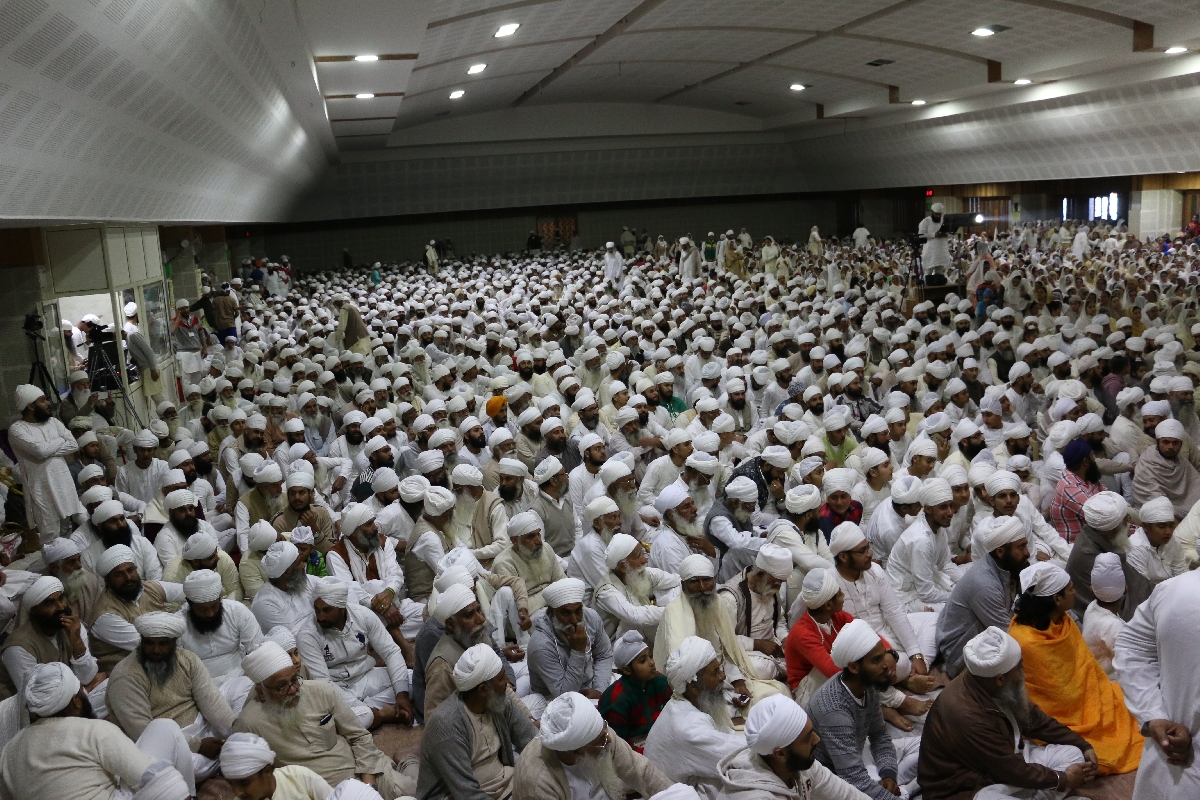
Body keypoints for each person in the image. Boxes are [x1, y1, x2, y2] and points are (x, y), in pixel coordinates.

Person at [918, 626, 1098, 800]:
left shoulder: (984, 681)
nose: (1022, 672)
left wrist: (1082, 744)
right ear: (1000, 679)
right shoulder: (966, 716)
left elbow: (1035, 720)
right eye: (1019, 668)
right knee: (1060, 777)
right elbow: (1010, 769)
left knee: (1073, 755)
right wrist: (1062, 779)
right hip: (968, 788)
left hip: (1002, 764)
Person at [234, 642, 416, 799]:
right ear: (261, 692)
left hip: (360, 770)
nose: (293, 689)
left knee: (414, 792)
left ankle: (408, 762)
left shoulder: (321, 691)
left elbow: (359, 737)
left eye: (294, 680)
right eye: (282, 686)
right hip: (315, 793)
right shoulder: (249, 723)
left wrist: (369, 787)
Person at [1008, 563, 1143, 774]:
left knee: (1134, 705)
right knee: (1102, 749)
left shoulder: (1063, 620)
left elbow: (1084, 665)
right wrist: (1080, 696)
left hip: (1091, 695)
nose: (1075, 593)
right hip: (1062, 715)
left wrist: (1090, 692)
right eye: (1070, 589)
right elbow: (1058, 692)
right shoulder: (1025, 640)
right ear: (1057, 599)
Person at [0, 662, 193, 800]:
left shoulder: (9, 749)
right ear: (76, 700)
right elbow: (156, 778)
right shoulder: (94, 731)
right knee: (164, 729)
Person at [106, 612, 239, 784]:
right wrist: (198, 745)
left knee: (242, 686)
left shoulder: (188, 660)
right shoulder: (126, 676)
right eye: (149, 643)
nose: (155, 650)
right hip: (162, 743)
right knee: (186, 767)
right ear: (141, 640)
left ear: (174, 642)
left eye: (163, 644)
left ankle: (230, 751)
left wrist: (236, 731)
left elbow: (211, 701)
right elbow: (143, 732)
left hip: (202, 726)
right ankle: (228, 756)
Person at [1114, 569, 1200, 800]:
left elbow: (1131, 648)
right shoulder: (1175, 591)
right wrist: (1153, 713)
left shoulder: (1173, 590)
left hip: (1172, 764)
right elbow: (1133, 645)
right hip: (1175, 759)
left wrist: (1153, 714)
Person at [809, 620, 919, 800]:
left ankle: (896, 786)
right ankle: (903, 791)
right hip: (835, 773)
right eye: (876, 660)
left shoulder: (867, 685)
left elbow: (879, 735)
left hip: (857, 755)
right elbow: (853, 778)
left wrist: (889, 775)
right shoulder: (833, 710)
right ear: (854, 667)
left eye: (883, 656)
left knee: (927, 745)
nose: (886, 665)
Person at [417, 643, 536, 800]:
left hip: (506, 783)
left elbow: (531, 741)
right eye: (502, 678)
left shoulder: (499, 701)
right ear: (483, 690)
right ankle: (409, 763)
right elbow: (467, 793)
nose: (507, 680)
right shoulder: (446, 724)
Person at [296, 577, 413, 730]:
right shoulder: (307, 634)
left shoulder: (363, 615)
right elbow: (324, 684)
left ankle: (369, 712)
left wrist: (402, 695)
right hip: (336, 686)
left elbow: (391, 652)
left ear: (341, 607)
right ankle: (377, 713)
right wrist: (362, 709)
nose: (320, 616)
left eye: (327, 610)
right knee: (325, 717)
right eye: (317, 609)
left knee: (412, 680)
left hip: (365, 676)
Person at [511, 691, 672, 800]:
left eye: (605, 729)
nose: (609, 740)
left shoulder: (600, 735)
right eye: (601, 740)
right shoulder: (537, 783)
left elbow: (641, 771)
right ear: (575, 752)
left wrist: (676, 794)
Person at [644, 636, 747, 793]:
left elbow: (725, 738)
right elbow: (737, 755)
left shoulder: (682, 702)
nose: (723, 676)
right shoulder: (690, 729)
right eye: (715, 672)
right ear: (693, 687)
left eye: (720, 669)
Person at [715, 693, 864, 800]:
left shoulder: (800, 764)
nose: (817, 739)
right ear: (780, 754)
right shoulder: (754, 796)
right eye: (808, 737)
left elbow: (847, 795)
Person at [937, 516, 1029, 678]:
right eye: (1021, 547)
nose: (1027, 553)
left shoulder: (1009, 567)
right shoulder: (984, 584)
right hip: (960, 655)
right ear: (1000, 552)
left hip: (989, 634)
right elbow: (1009, 634)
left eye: (1025, 545)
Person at [9, 384, 83, 541]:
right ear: (30, 406)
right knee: (50, 536)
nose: (48, 403)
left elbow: (73, 445)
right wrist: (59, 440)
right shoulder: (16, 429)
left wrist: (46, 450)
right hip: (40, 490)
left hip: (63, 484)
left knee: (66, 529)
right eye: (43, 400)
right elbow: (39, 451)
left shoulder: (53, 422)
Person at [1065, 491, 1152, 621]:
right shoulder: (1091, 556)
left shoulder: (1095, 536)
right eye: (1126, 518)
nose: (1128, 523)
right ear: (1115, 528)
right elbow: (1121, 609)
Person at [526, 577, 614, 705]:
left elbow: (604, 654)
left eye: (578, 611)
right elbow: (564, 694)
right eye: (566, 613)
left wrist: (599, 690)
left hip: (591, 686)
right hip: (553, 699)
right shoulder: (541, 644)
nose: (574, 620)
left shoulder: (591, 618)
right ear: (552, 611)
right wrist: (578, 651)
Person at [178, 569, 264, 686]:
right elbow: (178, 668)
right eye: (202, 609)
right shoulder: (178, 624)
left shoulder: (237, 611)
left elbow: (258, 649)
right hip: (198, 684)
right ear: (189, 603)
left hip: (241, 677)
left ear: (219, 599)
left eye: (214, 606)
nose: (210, 614)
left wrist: (249, 677)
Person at [598, 631, 670, 751]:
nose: (652, 662)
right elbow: (618, 746)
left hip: (658, 740)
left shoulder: (660, 681)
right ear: (627, 670)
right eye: (643, 661)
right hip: (630, 750)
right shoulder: (617, 700)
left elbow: (673, 715)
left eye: (650, 656)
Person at [219, 732, 334, 800]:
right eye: (231, 784)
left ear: (267, 771)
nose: (237, 792)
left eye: (244, 783)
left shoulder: (299, 777)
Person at [1131, 419, 1200, 517]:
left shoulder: (1181, 461)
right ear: (1158, 442)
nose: (1170, 447)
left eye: (1175, 443)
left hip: (1185, 513)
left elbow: (1196, 485)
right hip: (1156, 517)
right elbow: (1154, 501)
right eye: (1166, 442)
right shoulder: (1147, 463)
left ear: (1181, 444)